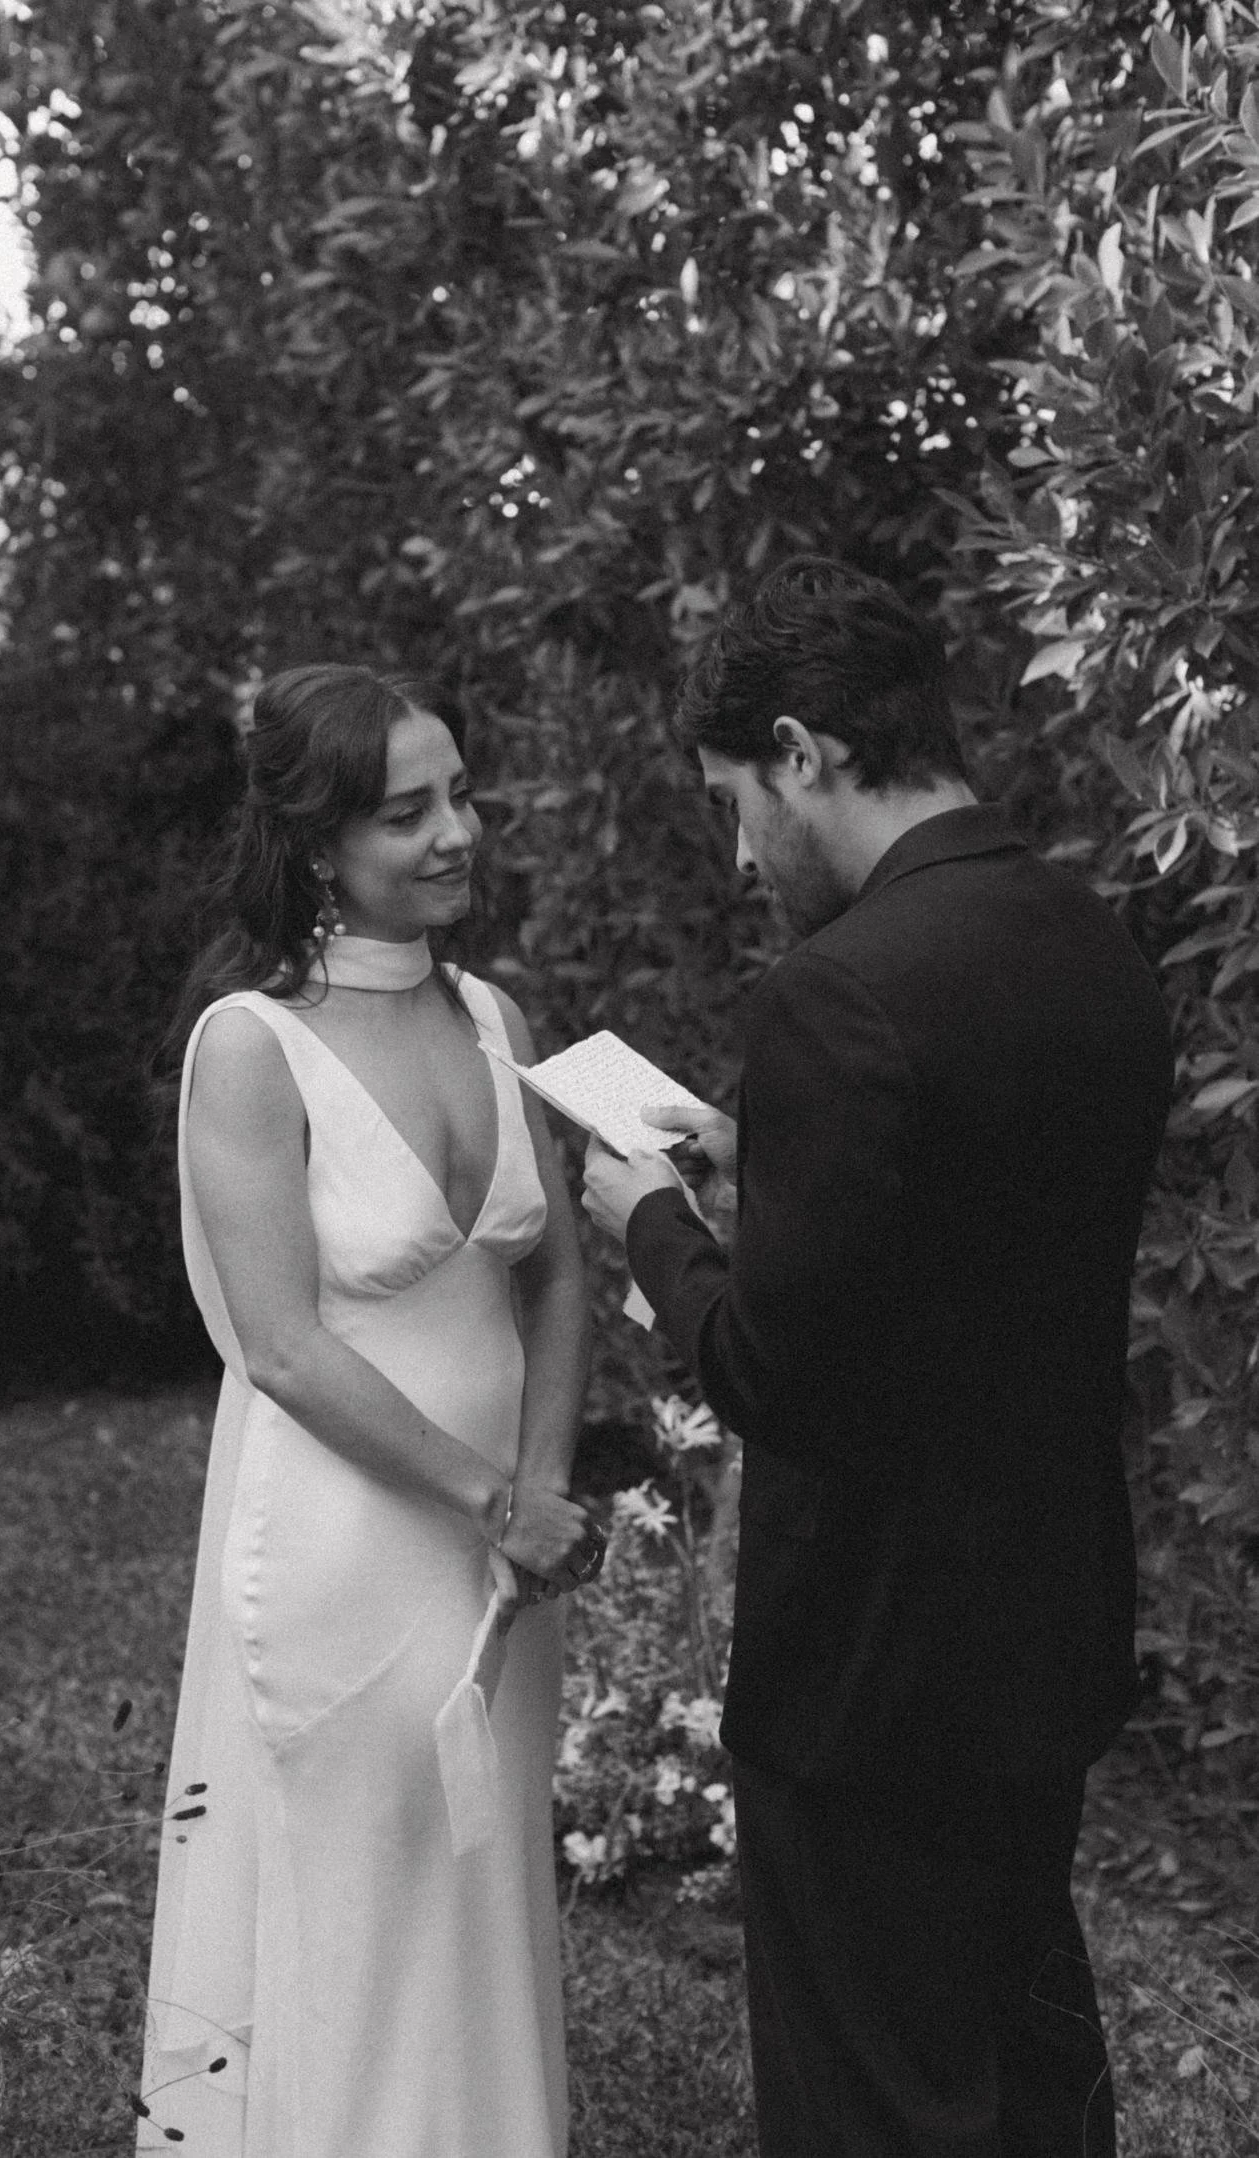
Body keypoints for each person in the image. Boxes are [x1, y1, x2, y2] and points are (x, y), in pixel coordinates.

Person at [582, 557, 1174, 2158]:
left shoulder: (835, 989)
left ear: (801, 750)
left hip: (867, 1675)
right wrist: (758, 1159)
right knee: (1027, 2079)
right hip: (1038, 1633)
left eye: (731, 800)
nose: (737, 847)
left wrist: (650, 1221)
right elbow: (977, 1241)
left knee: (874, 2107)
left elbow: (774, 1372)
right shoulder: (1086, 937)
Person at [137, 663, 598, 2157]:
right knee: (354, 1900)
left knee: (479, 1895)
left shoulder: (494, 1015)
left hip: (501, 1553)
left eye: (459, 793)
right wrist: (489, 1494)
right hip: (348, 1544)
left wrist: (542, 1492)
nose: (458, 830)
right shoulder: (248, 1049)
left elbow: (558, 1276)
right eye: (411, 812)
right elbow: (280, 1345)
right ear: (317, 843)